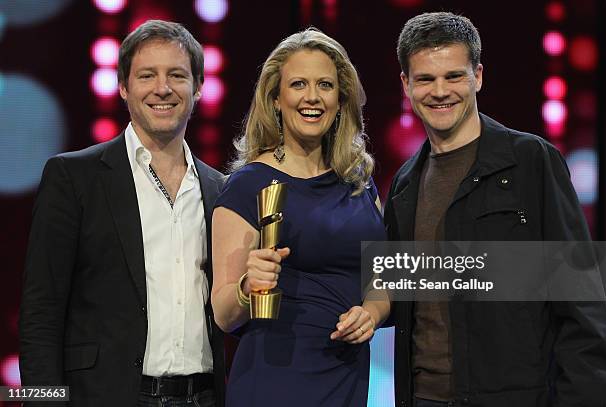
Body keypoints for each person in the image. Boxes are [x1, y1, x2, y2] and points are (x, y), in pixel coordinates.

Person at [385, 12, 606, 407]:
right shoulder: (404, 185)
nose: (440, 91)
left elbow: (582, 303)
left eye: (454, 76)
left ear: (479, 76)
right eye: (425, 79)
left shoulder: (531, 161)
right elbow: (398, 302)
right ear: (406, 85)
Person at [19, 20, 226, 406]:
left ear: (198, 88)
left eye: (177, 75)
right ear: (123, 87)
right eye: (147, 75)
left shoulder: (220, 189)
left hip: (203, 397)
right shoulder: (73, 177)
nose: (162, 88)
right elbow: (40, 312)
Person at [211, 28, 389, 406]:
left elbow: (381, 280)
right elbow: (225, 314)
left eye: (325, 84)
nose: (312, 97)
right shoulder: (247, 185)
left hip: (347, 375)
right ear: (276, 99)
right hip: (275, 378)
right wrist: (247, 287)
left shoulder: (359, 182)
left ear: (341, 101)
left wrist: (371, 314)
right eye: (298, 84)